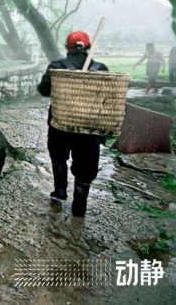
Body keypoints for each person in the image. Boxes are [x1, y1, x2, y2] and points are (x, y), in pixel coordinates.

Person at [37, 30, 109, 218]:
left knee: (59, 157)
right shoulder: (101, 69)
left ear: (67, 47)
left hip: (61, 125)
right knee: (86, 166)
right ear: (88, 47)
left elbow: (44, 90)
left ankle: (60, 191)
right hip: (89, 128)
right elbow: (109, 99)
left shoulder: (57, 67)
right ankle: (79, 206)